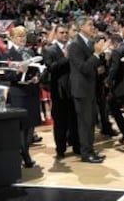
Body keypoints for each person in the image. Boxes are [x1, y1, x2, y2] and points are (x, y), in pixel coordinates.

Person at [68, 16, 109, 163]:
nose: (93, 27)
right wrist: (97, 54)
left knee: (90, 121)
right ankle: (86, 153)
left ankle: (89, 150)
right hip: (81, 90)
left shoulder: (89, 42)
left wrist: (101, 59)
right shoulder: (74, 45)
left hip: (90, 88)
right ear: (81, 27)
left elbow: (91, 67)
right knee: (85, 123)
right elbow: (84, 68)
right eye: (90, 24)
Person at [2, 25, 41, 168]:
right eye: (19, 36)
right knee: (21, 126)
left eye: (24, 36)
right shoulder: (7, 54)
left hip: (31, 91)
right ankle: (24, 154)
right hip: (18, 93)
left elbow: (38, 68)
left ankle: (25, 151)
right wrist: (19, 72)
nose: (22, 39)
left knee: (31, 125)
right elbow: (6, 75)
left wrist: (37, 77)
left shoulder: (30, 52)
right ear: (11, 38)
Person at [42, 24, 80, 159]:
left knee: (75, 121)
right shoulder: (49, 50)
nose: (64, 35)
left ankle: (77, 146)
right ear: (56, 34)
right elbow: (51, 68)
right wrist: (65, 58)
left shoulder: (73, 47)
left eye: (65, 32)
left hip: (75, 89)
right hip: (59, 92)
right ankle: (61, 149)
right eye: (61, 32)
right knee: (60, 122)